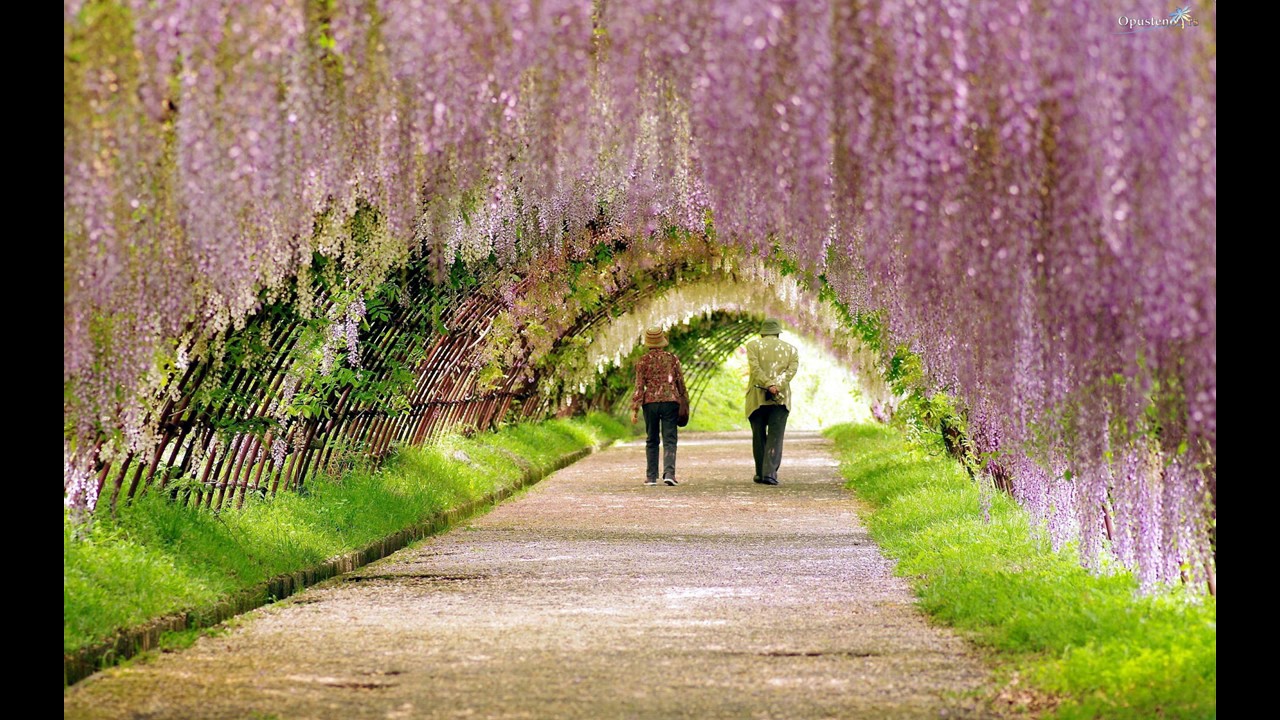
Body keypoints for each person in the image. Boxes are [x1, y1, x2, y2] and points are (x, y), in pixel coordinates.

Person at [630, 326, 688, 486]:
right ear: (662, 342)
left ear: (648, 343)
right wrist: (685, 401)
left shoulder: (643, 361)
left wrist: (634, 408)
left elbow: (639, 386)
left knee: (652, 439)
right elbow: (680, 383)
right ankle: (669, 473)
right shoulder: (672, 358)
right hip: (670, 401)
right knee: (669, 438)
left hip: (650, 403)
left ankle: (651, 477)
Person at [745, 318, 798, 485]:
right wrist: (776, 385)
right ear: (778, 333)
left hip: (757, 397)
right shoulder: (791, 350)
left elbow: (755, 368)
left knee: (758, 435)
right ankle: (770, 474)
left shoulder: (753, 346)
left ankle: (761, 473)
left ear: (762, 332)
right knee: (776, 436)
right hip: (780, 398)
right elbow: (791, 372)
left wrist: (767, 384)